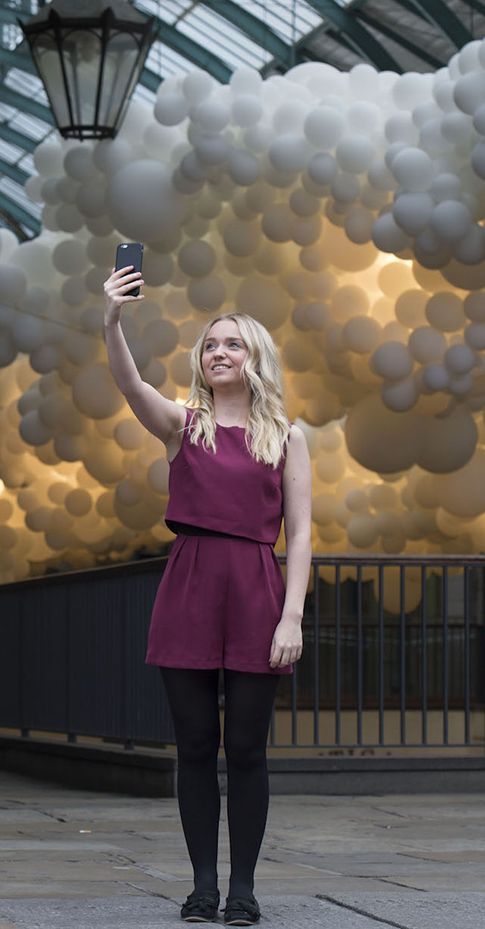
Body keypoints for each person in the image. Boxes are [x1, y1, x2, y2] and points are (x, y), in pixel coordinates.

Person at [104, 260, 312, 927]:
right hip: (189, 589)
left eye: (232, 342)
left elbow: (302, 535)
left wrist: (293, 616)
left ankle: (243, 888)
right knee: (195, 744)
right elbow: (129, 381)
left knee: (247, 748)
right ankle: (200, 885)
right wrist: (112, 317)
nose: (218, 351)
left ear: (257, 358)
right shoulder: (181, 425)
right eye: (210, 344)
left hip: (257, 592)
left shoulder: (288, 436)